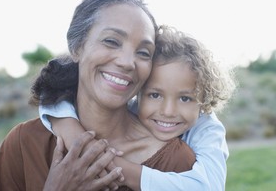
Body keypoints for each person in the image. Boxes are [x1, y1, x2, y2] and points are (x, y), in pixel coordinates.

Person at [0, 0, 196, 191]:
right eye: (111, 41)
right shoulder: (26, 143)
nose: (127, 62)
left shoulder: (175, 162)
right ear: (77, 47)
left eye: (143, 52)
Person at [40, 25, 236, 191]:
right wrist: (68, 127)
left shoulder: (207, 128)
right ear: (137, 90)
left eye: (185, 98)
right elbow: (54, 94)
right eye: (155, 95)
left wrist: (112, 166)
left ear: (204, 100)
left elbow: (208, 186)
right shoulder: (131, 110)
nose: (168, 111)